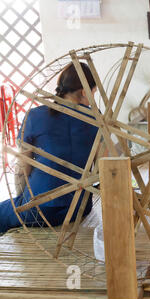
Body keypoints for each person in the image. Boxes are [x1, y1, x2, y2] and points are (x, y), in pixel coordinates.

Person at [0, 62, 98, 234]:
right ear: (84, 92)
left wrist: (22, 200)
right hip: (79, 208)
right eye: (94, 93)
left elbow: (22, 168)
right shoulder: (97, 122)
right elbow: (103, 167)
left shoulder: (35, 116)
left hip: (39, 209)